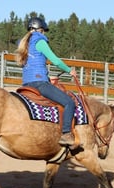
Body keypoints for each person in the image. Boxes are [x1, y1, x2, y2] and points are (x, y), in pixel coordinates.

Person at [15, 17, 78, 149]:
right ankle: (66, 134)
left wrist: (47, 78)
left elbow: (31, 65)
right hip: (39, 83)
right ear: (40, 30)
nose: (44, 34)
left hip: (26, 84)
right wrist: (69, 70)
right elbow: (55, 60)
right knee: (69, 102)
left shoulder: (24, 43)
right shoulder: (40, 41)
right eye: (44, 31)